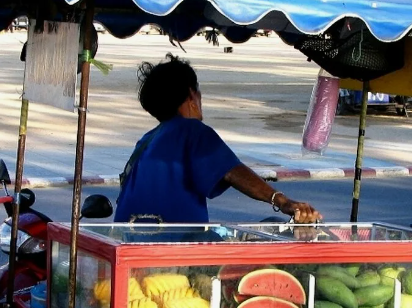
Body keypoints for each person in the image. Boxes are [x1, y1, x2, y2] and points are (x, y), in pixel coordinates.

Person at [114, 53, 322, 226]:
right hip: (173, 251)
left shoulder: (146, 141)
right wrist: (282, 201)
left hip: (127, 248)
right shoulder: (193, 130)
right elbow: (232, 172)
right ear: (191, 95)